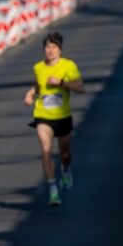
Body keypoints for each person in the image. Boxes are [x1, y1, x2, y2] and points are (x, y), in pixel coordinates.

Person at [24, 32, 85, 207]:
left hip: (63, 116)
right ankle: (52, 189)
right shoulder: (38, 67)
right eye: (47, 47)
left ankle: (65, 169)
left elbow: (81, 88)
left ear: (60, 50)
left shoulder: (68, 66)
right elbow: (38, 85)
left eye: (54, 47)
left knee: (65, 153)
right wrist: (30, 93)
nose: (50, 50)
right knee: (46, 149)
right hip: (43, 116)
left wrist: (62, 83)